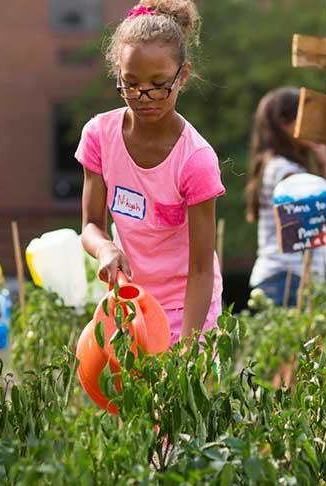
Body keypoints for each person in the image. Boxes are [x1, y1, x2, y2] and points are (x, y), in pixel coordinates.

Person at [77, 0, 225, 343]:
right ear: (118, 72)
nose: (144, 97)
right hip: (130, 301)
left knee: (176, 395)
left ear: (182, 75)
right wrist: (105, 250)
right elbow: (90, 226)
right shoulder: (100, 136)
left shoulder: (196, 161)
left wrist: (188, 348)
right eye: (130, 84)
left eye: (159, 84)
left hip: (187, 308)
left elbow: (201, 270)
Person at [245, 87, 326, 307]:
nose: (315, 128)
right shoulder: (285, 170)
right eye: (307, 120)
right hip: (288, 277)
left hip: (281, 277)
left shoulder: (275, 165)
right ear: (284, 123)